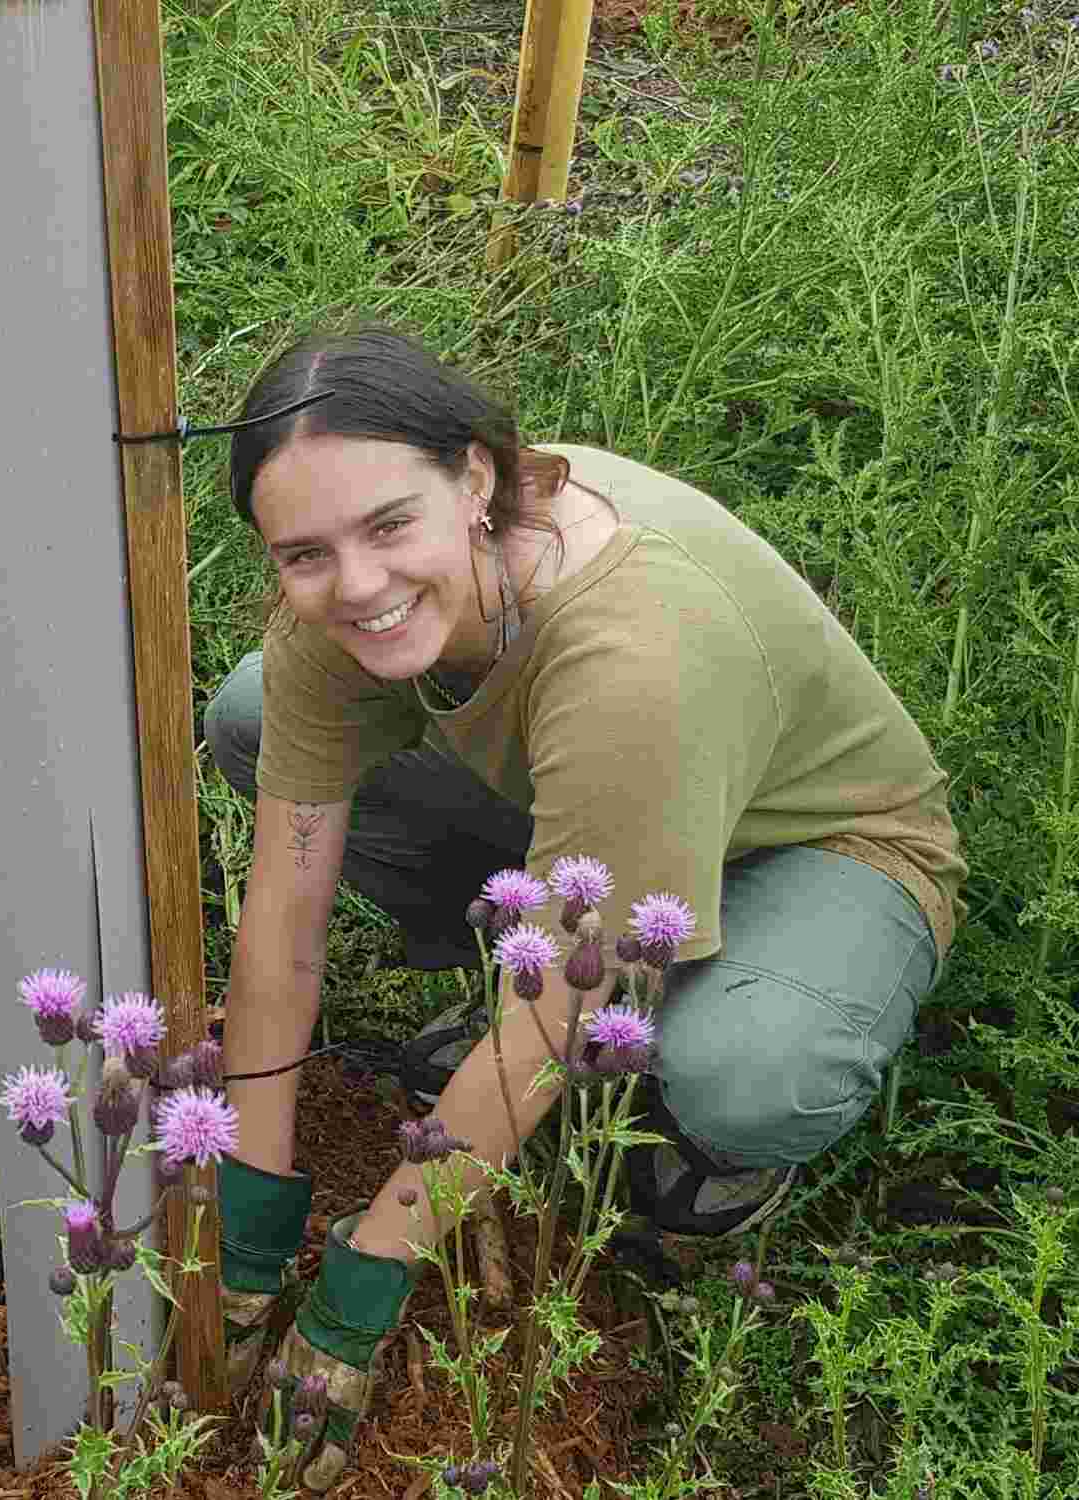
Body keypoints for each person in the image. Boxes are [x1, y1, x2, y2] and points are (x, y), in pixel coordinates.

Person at [196, 324, 965, 1484]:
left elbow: (556, 1013)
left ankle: (725, 1126)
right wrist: (244, 1222)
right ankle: (522, 1010)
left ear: (475, 478)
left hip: (815, 851)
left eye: (389, 526)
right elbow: (283, 928)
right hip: (611, 811)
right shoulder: (346, 615)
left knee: (742, 1073)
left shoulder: (628, 655)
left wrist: (364, 1282)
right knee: (256, 710)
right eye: (305, 554)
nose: (356, 583)